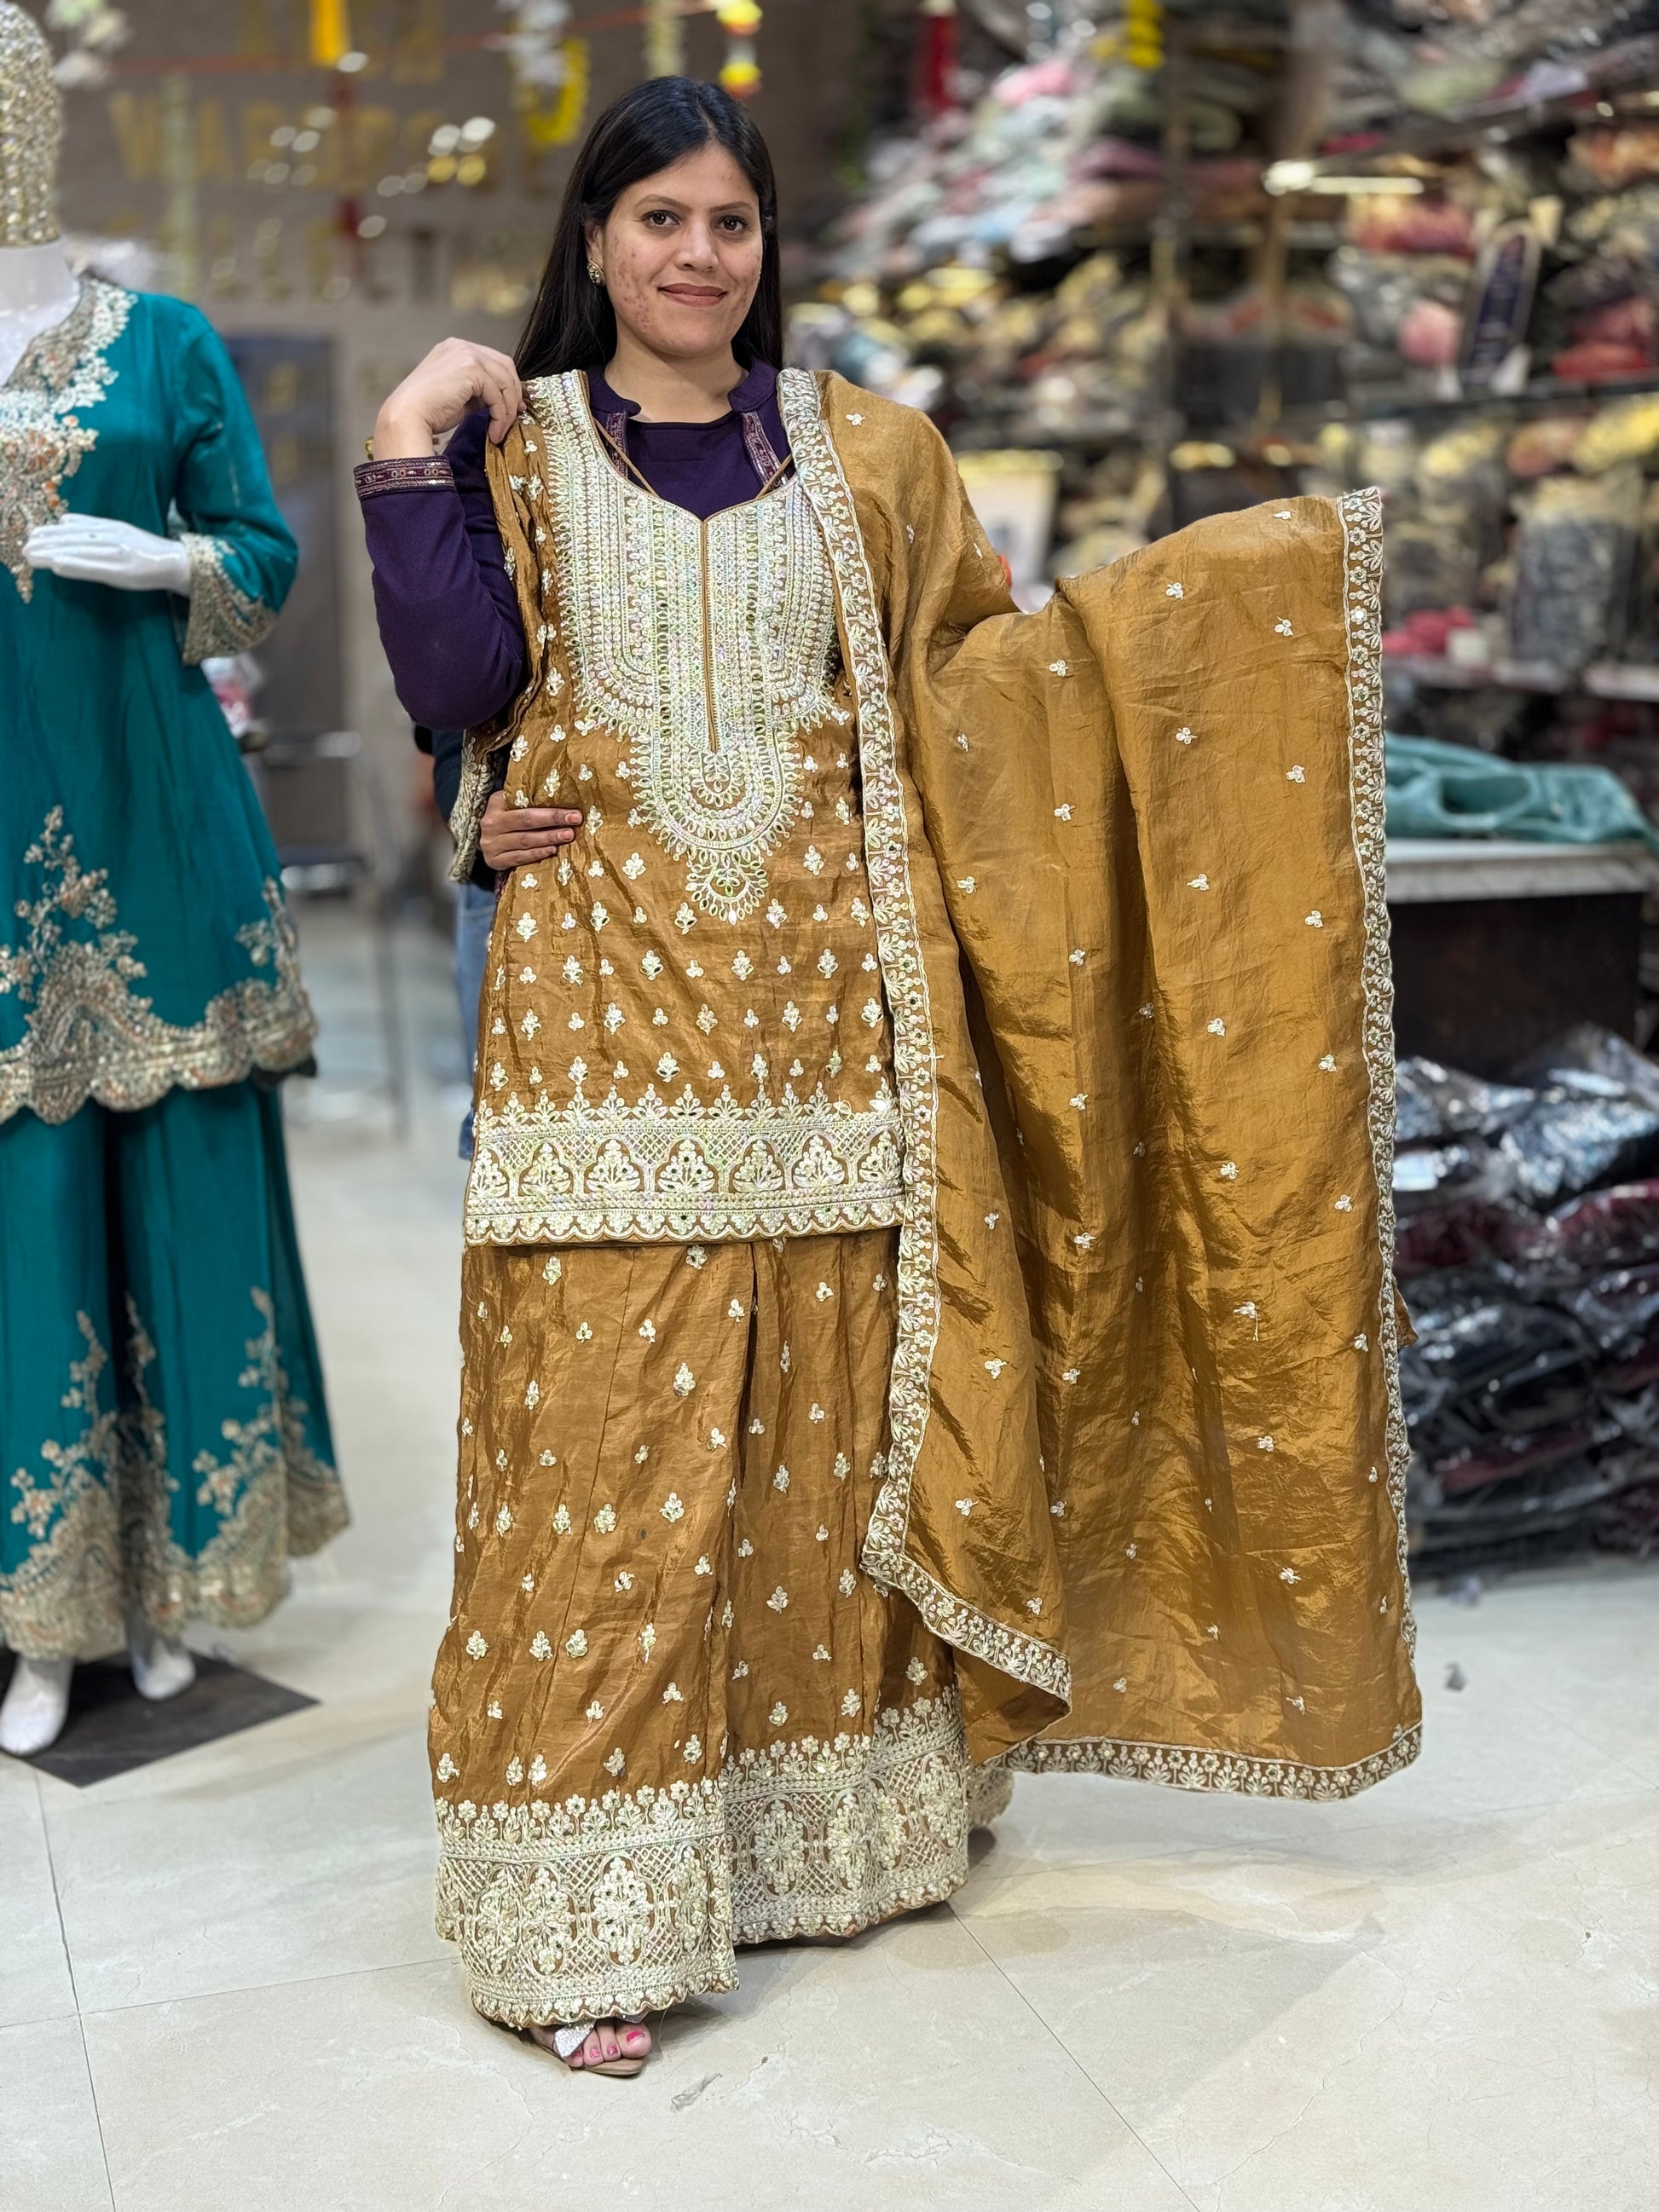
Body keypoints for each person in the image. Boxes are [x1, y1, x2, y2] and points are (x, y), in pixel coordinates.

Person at [356, 75, 1419, 2078]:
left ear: (768, 247)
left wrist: (1220, 620)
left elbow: (986, 704)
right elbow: (457, 686)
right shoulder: (520, 445)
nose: (696, 254)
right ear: (594, 240)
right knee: (600, 1460)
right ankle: (588, 1908)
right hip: (600, 1036)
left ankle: (815, 1837)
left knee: (824, 1454)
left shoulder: (872, 450)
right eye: (658, 217)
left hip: (840, 1034)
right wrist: (414, 430)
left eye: (730, 222)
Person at [0, 1, 344, 1757]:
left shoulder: (164, 341)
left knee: (170, 1177)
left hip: (146, 809)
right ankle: (39, 1603)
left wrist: (165, 561)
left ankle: (169, 1586)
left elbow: (266, 552)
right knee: (25, 1207)